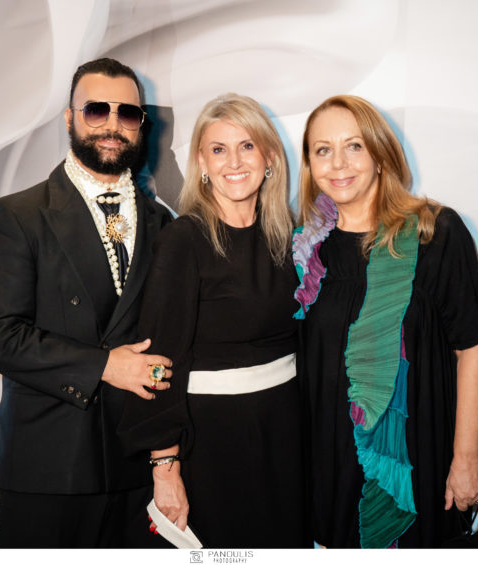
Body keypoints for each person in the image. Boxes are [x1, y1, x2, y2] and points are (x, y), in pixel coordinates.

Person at [0, 58, 173, 548]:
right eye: (96, 110)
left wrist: (167, 460)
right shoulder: (17, 215)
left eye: (127, 113)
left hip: (135, 468)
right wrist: (104, 366)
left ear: (141, 125)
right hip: (48, 466)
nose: (112, 125)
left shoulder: (165, 224)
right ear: (69, 118)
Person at [292, 95, 478, 548]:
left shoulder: (433, 232)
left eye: (354, 146)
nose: (338, 163)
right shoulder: (305, 249)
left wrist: (467, 458)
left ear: (380, 155)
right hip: (328, 463)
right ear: (309, 164)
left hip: (415, 461)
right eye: (323, 150)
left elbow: (473, 349)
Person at [119, 93, 309, 548]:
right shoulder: (183, 240)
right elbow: (158, 360)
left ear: (269, 157)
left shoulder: (292, 236)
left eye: (247, 146)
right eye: (218, 149)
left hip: (285, 432)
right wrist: (164, 466)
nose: (234, 162)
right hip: (212, 441)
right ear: (202, 162)